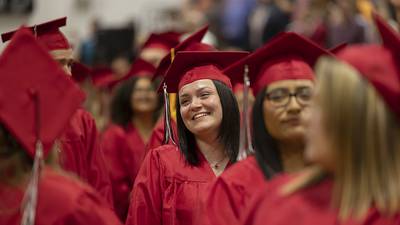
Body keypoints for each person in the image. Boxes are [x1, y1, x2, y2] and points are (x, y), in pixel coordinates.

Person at [240, 13, 400, 225]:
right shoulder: (277, 201)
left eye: (316, 103)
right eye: (278, 97)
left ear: (353, 124)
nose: (304, 114)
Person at [204, 32, 333, 225]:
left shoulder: (339, 177)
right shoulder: (235, 185)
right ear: (259, 109)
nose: (294, 106)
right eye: (279, 96)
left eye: (305, 94)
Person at [0, 27, 121, 225]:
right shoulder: (10, 123)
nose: (67, 72)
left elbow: (99, 183)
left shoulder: (82, 121)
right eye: (57, 63)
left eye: (70, 63)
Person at [125, 50, 247, 225]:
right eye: (185, 101)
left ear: (225, 99)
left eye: (204, 95)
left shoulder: (252, 164)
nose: (195, 105)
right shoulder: (161, 163)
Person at [101, 58, 162, 222]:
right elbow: (114, 182)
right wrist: (142, 198)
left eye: (150, 90)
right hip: (127, 214)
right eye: (138, 91)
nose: (145, 95)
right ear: (128, 96)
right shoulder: (116, 135)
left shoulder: (165, 132)